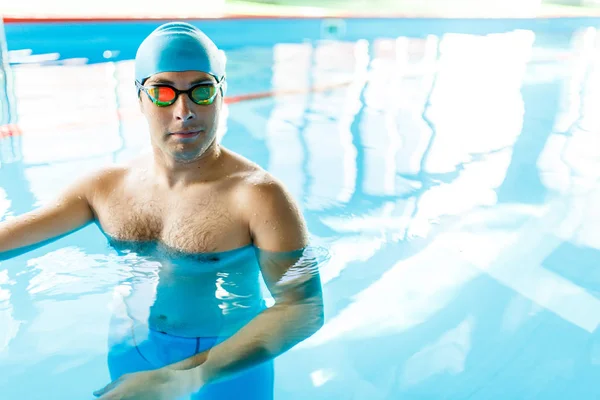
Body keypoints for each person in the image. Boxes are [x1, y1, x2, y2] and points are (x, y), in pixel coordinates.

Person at [0, 22, 324, 400]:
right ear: (140, 98)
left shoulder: (258, 197)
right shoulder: (105, 189)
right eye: (163, 92)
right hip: (132, 349)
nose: (183, 111)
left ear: (222, 94)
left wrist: (182, 378)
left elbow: (303, 307)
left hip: (227, 364)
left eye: (201, 91)